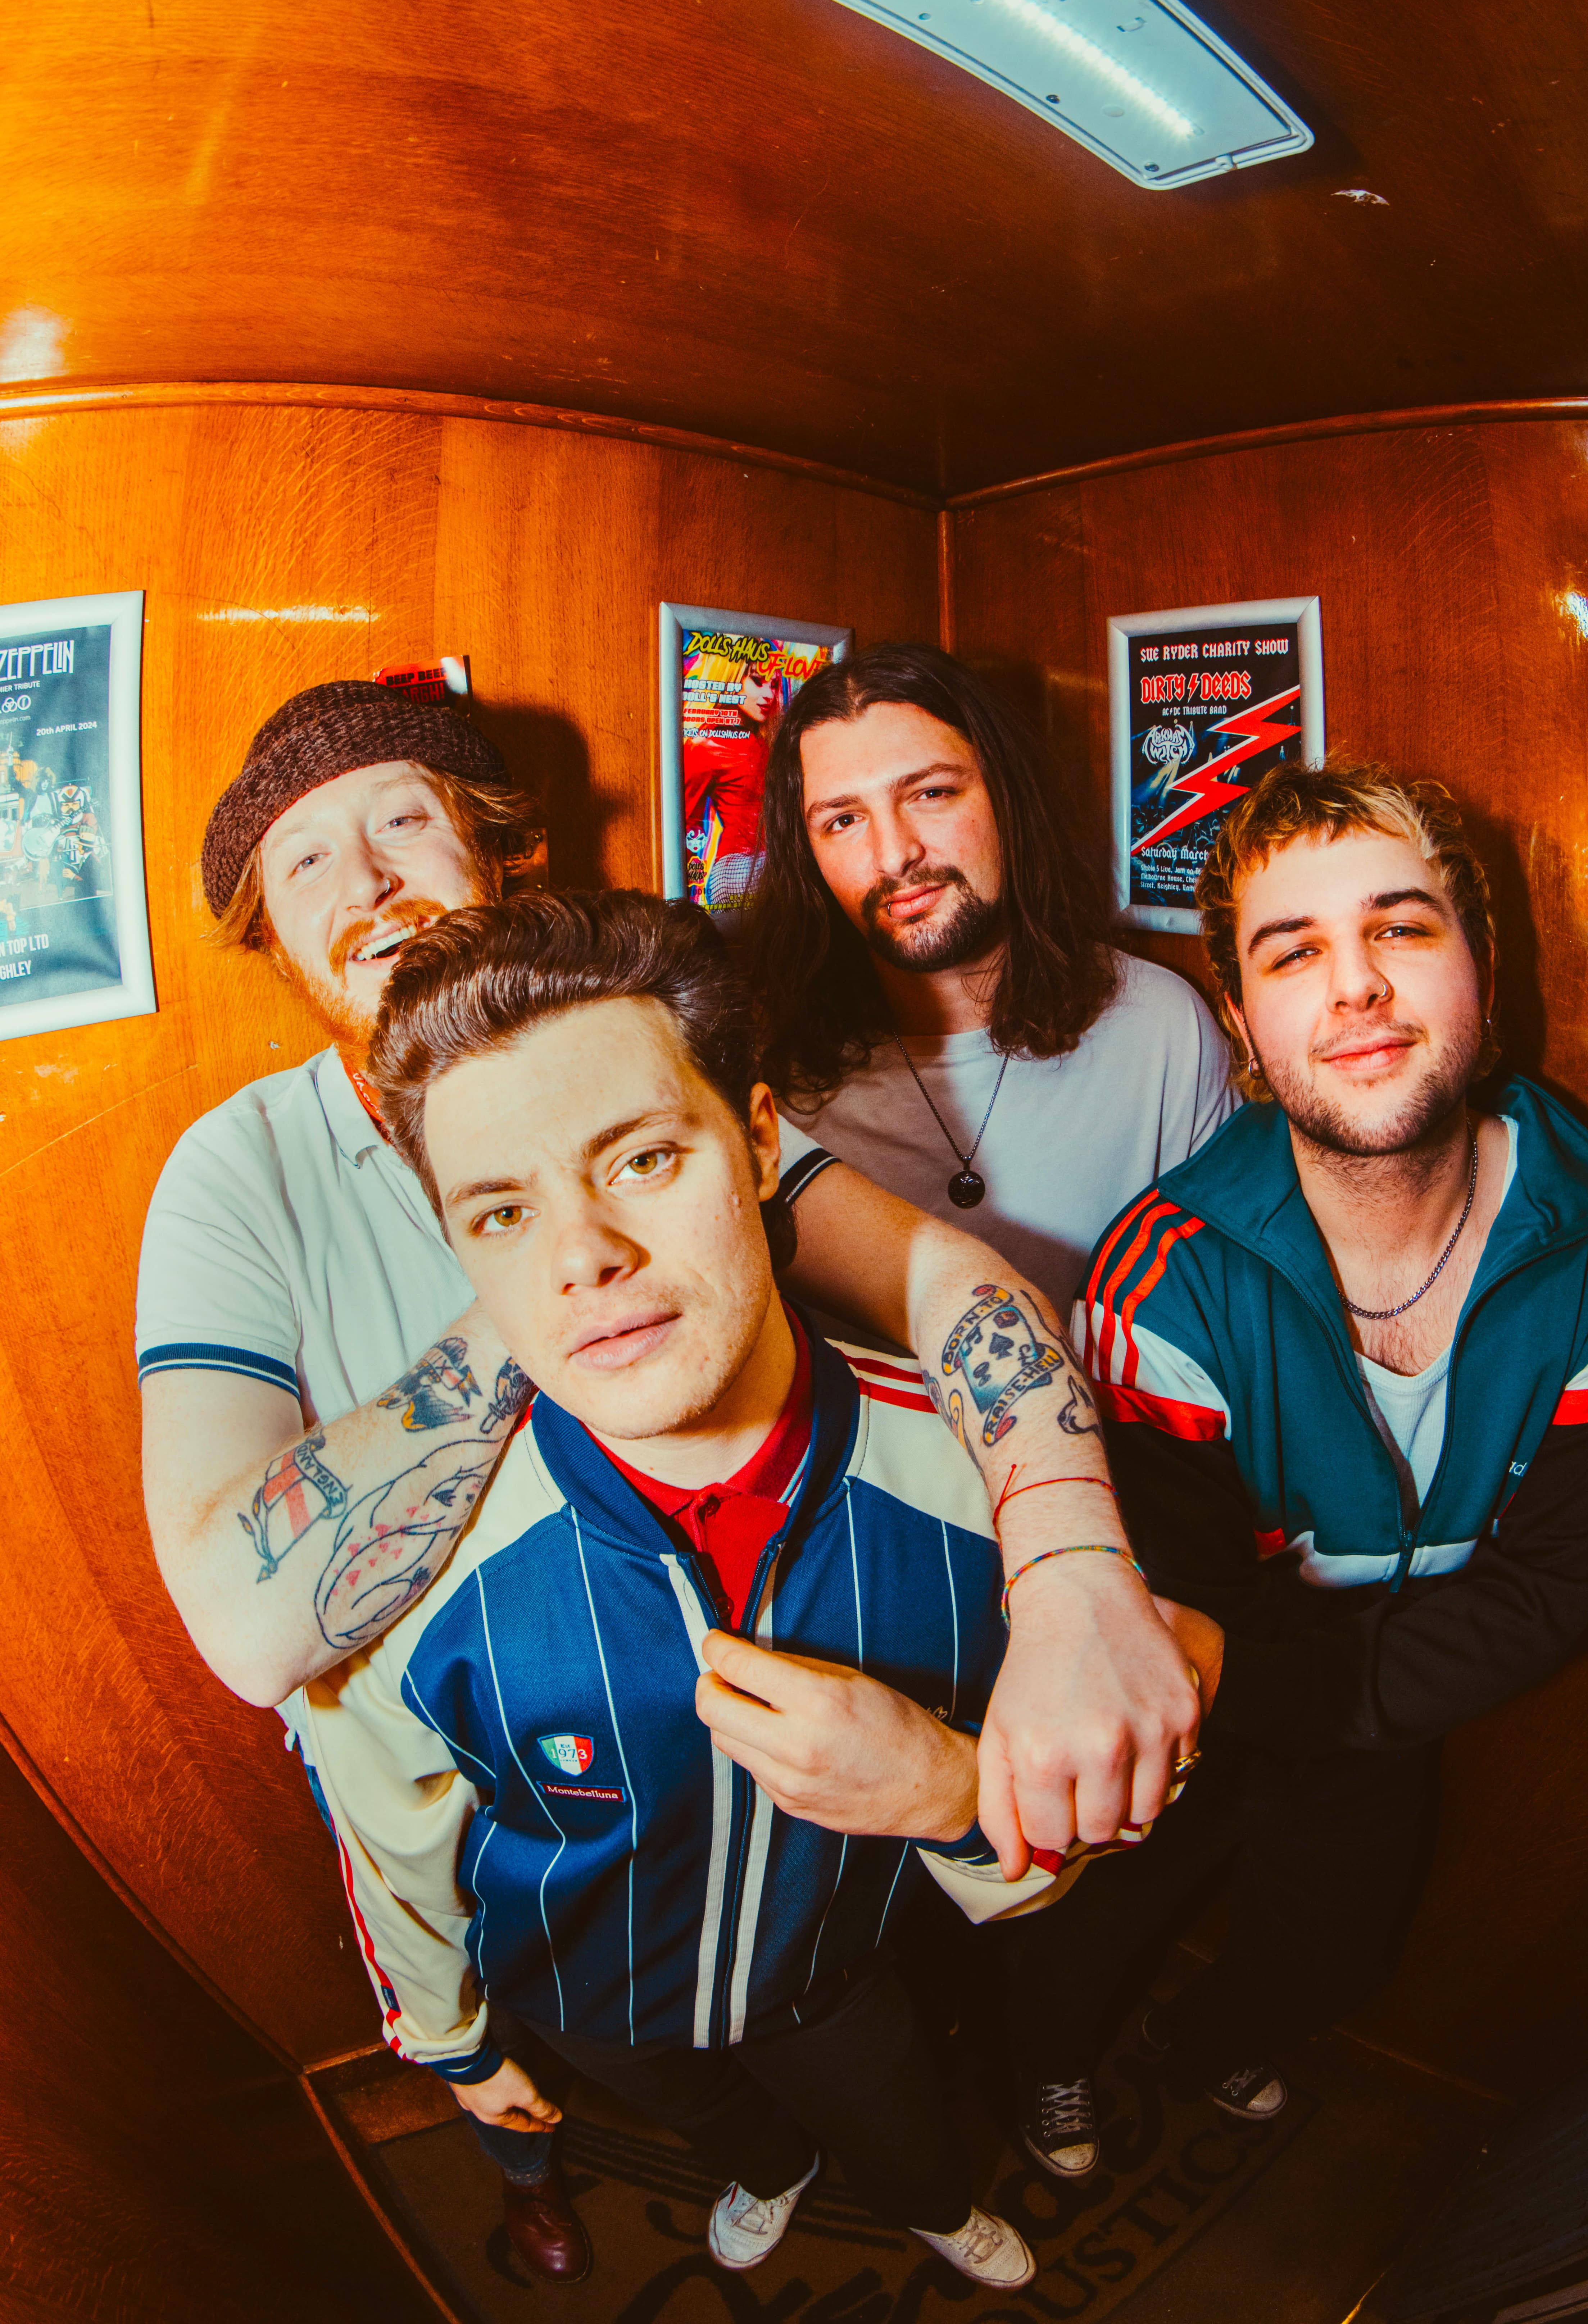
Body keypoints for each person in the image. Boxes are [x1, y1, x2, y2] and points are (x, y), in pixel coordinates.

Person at [137, 680, 1198, 2273]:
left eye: (404, 819)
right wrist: (554, 1261)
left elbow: (947, 1286)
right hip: (465, 1740)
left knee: (836, 1994)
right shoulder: (239, 1171)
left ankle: (927, 2193)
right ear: (273, 938)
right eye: (304, 862)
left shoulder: (645, 1058)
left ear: (500, 852)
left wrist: (1068, 1574)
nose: (365, 882)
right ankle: (686, 2162)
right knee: (619, 2028)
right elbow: (245, 1625)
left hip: (753, 1664)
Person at [298, 888, 1070, 2288]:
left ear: (760, 1140)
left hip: (833, 1974)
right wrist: (455, 2043)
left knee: (903, 2134)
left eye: (644, 1158)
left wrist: (953, 1792)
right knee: (728, 2129)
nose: (582, 1255)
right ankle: (768, 2174)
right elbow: (388, 1836)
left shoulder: (980, 1485)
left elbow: (1065, 1827)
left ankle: (936, 2209)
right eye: (503, 1210)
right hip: (585, 1991)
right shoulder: (407, 1573)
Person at [1012, 756, 1588, 2171]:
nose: (1356, 985)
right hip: (1189, 1698)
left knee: (1333, 1949)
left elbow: (1556, 1586)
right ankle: (1050, 2063)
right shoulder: (1161, 1280)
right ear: (1241, 1020)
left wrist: (1351, 1711)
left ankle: (1210, 2046)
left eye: (1399, 928)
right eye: (1294, 951)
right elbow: (1165, 1606)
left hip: (1382, 1703)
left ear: (1480, 966)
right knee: (1097, 1918)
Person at [747, 642, 1234, 1320]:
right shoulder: (774, 1077)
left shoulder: (1159, 1030)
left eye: (931, 793)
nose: (895, 855)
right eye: (844, 820)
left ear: (1006, 795)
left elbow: (1226, 1318)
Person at [682, 658, 779, 916]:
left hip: (769, 866)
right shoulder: (705, 745)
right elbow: (685, 823)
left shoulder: (768, 744)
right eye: (757, 681)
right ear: (732, 679)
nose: (768, 695)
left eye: (774, 685)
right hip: (735, 868)